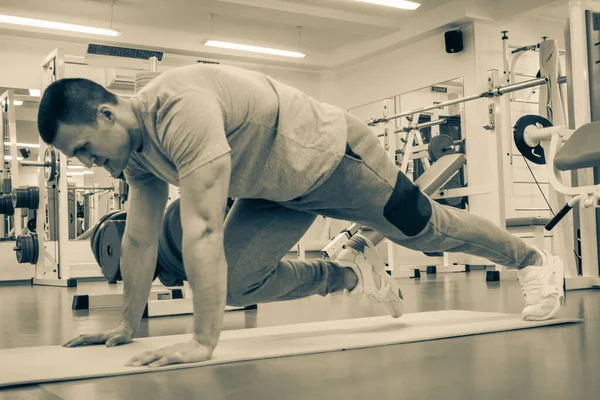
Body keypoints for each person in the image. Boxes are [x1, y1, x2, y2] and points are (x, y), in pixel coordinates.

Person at [37, 64, 564, 368]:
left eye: (85, 148)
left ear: (107, 113)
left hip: (335, 160)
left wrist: (202, 342)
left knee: (427, 233)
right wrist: (127, 325)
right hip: (276, 189)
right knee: (239, 282)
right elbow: (138, 238)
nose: (87, 162)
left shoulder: (179, 109)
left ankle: (533, 257)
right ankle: (350, 271)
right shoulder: (135, 154)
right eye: (76, 158)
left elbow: (202, 229)